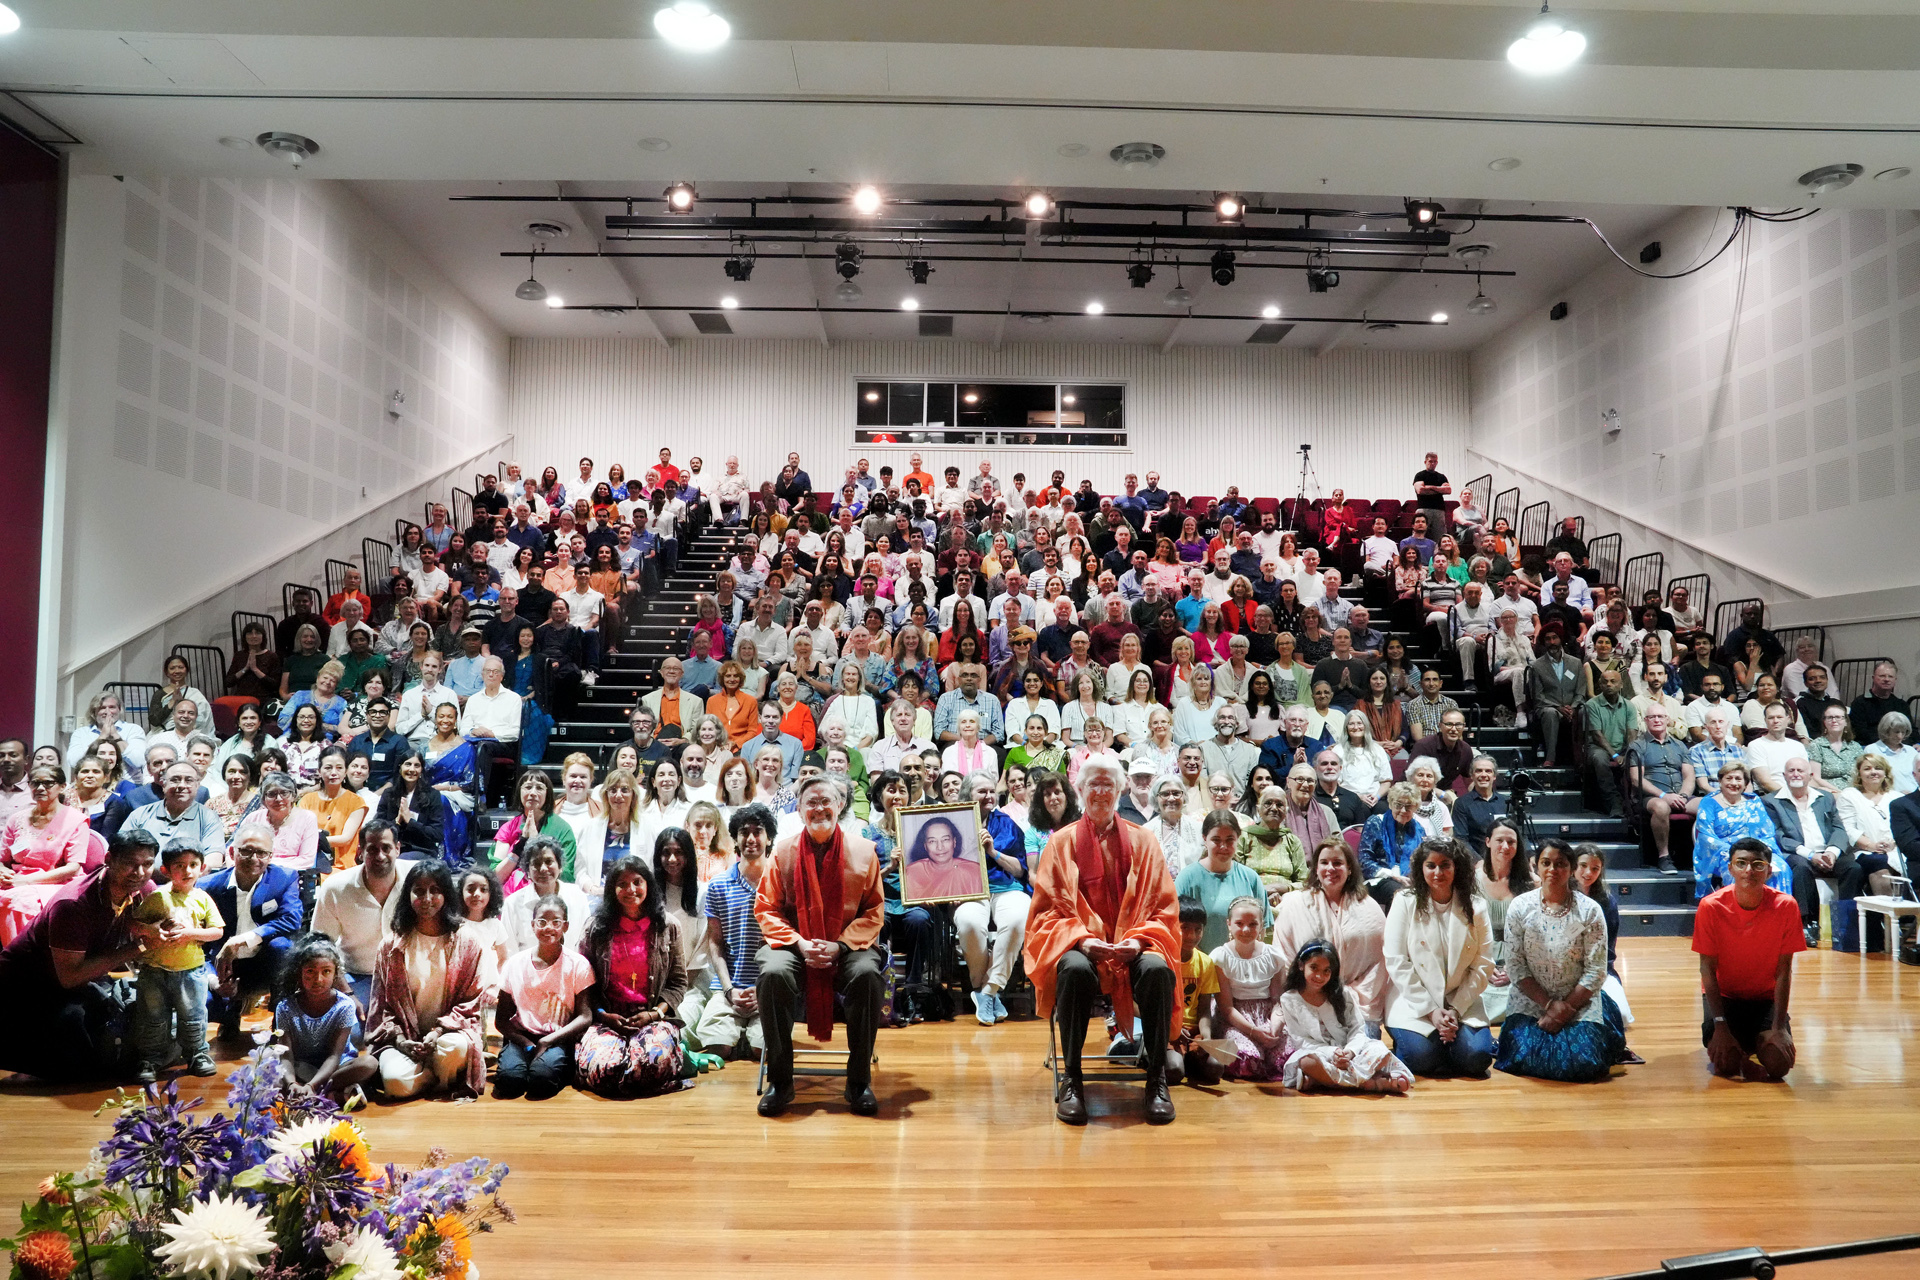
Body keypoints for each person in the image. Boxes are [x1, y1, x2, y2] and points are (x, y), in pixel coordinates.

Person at [1024, 758, 1181, 1125]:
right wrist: (1081, 941)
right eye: (1093, 784)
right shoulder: (1060, 844)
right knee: (1074, 970)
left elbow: (1164, 907)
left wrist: (1139, 943)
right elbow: (1045, 914)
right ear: (1079, 790)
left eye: (1107, 785)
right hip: (1083, 949)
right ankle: (1073, 1080)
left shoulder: (1143, 841)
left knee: (1157, 969)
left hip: (1134, 944)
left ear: (1120, 790)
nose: (1100, 792)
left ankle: (1156, 1078)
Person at [752, 776, 886, 1116]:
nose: (819, 808)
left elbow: (873, 910)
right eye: (810, 803)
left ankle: (859, 1082)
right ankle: (780, 1082)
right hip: (794, 944)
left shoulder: (863, 851)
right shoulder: (783, 852)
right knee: (773, 971)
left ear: (840, 806)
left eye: (826, 801)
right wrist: (799, 943)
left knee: (869, 973)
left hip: (847, 944)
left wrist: (840, 946)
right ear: (799, 810)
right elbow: (766, 908)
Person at [1493, 838, 1623, 1083]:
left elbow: (1596, 970)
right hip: (1532, 999)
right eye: (1546, 863)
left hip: (1578, 1000)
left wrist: (1566, 1008)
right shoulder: (1520, 907)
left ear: (1571, 868)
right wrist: (1550, 1005)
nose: (1553, 870)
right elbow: (1516, 966)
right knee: (1524, 1055)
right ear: (1537, 867)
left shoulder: (1589, 910)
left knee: (1585, 1061)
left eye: (1561, 864)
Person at [366, 859, 486, 1099]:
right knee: (394, 1084)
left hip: (447, 1036)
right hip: (403, 1038)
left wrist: (437, 1033)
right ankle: (439, 1077)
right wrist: (400, 1041)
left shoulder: (467, 941)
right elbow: (382, 1006)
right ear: (408, 895)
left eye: (435, 890)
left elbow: (470, 1003)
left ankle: (430, 1072)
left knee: (455, 1047)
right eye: (419, 891)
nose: (427, 898)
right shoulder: (392, 945)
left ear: (446, 894)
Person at [1384, 839, 1495, 1077]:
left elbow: (1484, 965)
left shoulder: (1477, 906)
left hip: (1461, 1000)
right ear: (1421, 869)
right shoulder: (1404, 902)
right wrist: (1432, 1011)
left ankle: (1448, 1042)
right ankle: (1436, 1046)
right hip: (1413, 1001)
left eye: (1445, 865)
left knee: (1477, 1059)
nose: (1438, 872)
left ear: (1457, 868)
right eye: (1431, 865)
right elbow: (1396, 962)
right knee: (1421, 1059)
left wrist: (1455, 1010)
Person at [1696, 836, 1803, 1082]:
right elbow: (1707, 970)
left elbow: (1784, 970)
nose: (1749, 870)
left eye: (1757, 864)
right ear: (1731, 868)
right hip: (1725, 998)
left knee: (1779, 1066)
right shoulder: (1710, 906)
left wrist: (1778, 1028)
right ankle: (1740, 1047)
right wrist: (1720, 1026)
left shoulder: (1786, 905)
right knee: (1727, 1066)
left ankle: (1756, 1041)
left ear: (1769, 869)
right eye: (1741, 863)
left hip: (1765, 999)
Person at [1273, 837, 1389, 1030]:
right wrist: (1314, 996)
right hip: (1307, 1003)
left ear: (1349, 869)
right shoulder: (1295, 905)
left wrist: (1347, 998)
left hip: (1358, 1005)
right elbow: (1284, 958)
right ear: (1316, 869)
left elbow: (1379, 963)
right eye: (1324, 862)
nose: (1330, 868)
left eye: (1338, 863)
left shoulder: (1369, 907)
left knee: (1360, 1052)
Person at [131, 843, 225, 1082]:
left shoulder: (202, 898)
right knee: (153, 1017)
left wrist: (190, 933)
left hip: (191, 970)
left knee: (193, 1015)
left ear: (202, 868)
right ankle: (150, 1058)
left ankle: (196, 1054)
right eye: (179, 866)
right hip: (154, 970)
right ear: (166, 870)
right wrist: (152, 930)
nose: (188, 871)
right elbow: (134, 925)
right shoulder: (156, 897)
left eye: (193, 865)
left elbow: (217, 931)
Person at [200, 822, 302, 1041]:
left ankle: (280, 1019)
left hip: (265, 963)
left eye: (262, 852)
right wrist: (212, 979)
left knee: (283, 946)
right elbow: (199, 946)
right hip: (223, 966)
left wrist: (244, 939)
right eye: (246, 851)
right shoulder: (207, 886)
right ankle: (229, 1011)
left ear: (271, 855)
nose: (254, 858)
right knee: (207, 1003)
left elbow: (292, 919)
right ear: (232, 852)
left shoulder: (284, 878)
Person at [494, 895, 595, 1100]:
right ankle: (522, 1062)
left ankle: (557, 1066)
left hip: (558, 1037)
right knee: (509, 1082)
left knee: (541, 1082)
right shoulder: (515, 964)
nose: (548, 927)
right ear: (532, 925)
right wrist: (526, 1044)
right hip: (522, 1037)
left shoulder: (578, 964)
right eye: (542, 921)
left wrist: (548, 1041)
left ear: (565, 926)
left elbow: (585, 1016)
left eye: (556, 922)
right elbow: (501, 1020)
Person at [1279, 939, 1413, 1094]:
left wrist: (1349, 1052)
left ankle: (1327, 1081)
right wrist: (1332, 1053)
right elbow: (1300, 1040)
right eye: (1314, 968)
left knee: (1379, 1051)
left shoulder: (1342, 994)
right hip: (1322, 1054)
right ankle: (1367, 1083)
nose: (1319, 976)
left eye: (1326, 971)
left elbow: (1357, 1028)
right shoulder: (1289, 999)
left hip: (1351, 1053)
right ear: (1301, 965)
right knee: (1306, 1062)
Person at [312, 820, 414, 1009]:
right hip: (357, 975)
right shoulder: (336, 887)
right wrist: (347, 992)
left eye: (386, 848)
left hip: (410, 975)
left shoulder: (416, 880)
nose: (380, 856)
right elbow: (321, 944)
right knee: (354, 1030)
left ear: (398, 849)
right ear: (360, 852)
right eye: (372, 849)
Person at [274, 935, 377, 1105]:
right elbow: (286, 1055)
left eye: (326, 971)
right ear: (299, 974)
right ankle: (333, 1095)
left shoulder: (344, 1006)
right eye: (310, 972)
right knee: (268, 1065)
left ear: (336, 974)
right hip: (302, 1066)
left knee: (368, 1063)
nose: (318, 979)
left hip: (335, 1069)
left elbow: (334, 1057)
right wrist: (292, 1082)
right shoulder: (285, 1007)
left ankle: (312, 1093)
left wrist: (312, 1085)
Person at [1763, 758, 1853, 949]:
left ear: (1810, 775)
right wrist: (1811, 855)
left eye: (1800, 770)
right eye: (1791, 770)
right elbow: (1778, 835)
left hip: (1827, 851)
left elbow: (1839, 828)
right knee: (1800, 867)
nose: (1796, 774)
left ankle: (1847, 925)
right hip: (1798, 853)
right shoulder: (1771, 801)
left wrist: (1832, 852)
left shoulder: (1825, 798)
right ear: (1784, 776)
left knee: (1854, 868)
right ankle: (1807, 925)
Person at [0, 765, 89, 945]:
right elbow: (2, 860)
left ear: (62, 787)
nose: (40, 788)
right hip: (17, 879)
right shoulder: (17, 819)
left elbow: (73, 868)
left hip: (58, 881)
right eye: (35, 783)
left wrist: (25, 881)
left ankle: (20, 958)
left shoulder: (75, 820)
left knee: (16, 901)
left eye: (48, 783)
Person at [1209, 896, 1291, 1081]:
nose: (1246, 930)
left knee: (1286, 1058)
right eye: (1239, 923)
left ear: (1261, 925)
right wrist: (1254, 1032)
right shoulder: (1220, 957)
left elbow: (1278, 999)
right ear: (1229, 924)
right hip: (1235, 1019)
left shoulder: (1274, 956)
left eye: (1253, 924)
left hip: (1267, 1015)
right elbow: (1227, 1008)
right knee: (1246, 1060)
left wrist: (1274, 1027)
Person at [1693, 763, 1788, 902]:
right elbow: (1706, 836)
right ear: (1720, 781)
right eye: (1729, 778)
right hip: (1724, 852)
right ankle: (1740, 914)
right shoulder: (1708, 803)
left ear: (1745, 784)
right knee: (1740, 870)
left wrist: (1764, 850)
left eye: (1738, 779)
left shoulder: (1754, 802)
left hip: (1756, 851)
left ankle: (1776, 914)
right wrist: (1735, 851)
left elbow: (1767, 832)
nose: (1733, 783)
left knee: (1781, 868)